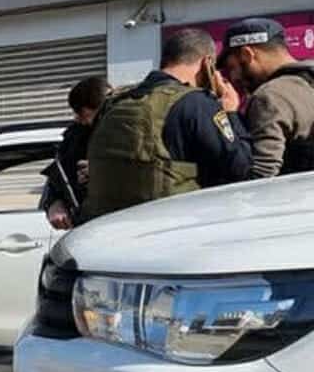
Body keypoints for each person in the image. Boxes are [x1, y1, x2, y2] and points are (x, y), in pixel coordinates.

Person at [80, 28, 252, 222]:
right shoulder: (196, 103)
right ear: (207, 63)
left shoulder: (113, 103)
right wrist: (231, 113)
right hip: (170, 228)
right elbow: (240, 169)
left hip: (109, 227)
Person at [216, 17, 314, 178]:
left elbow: (261, 176)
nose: (233, 78)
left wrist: (230, 117)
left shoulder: (269, 97)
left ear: (247, 55)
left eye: (232, 67)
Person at [42, 76, 112, 230]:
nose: (80, 119)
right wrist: (54, 203)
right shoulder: (76, 137)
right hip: (89, 226)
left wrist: (104, 170)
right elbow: (59, 178)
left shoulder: (133, 130)